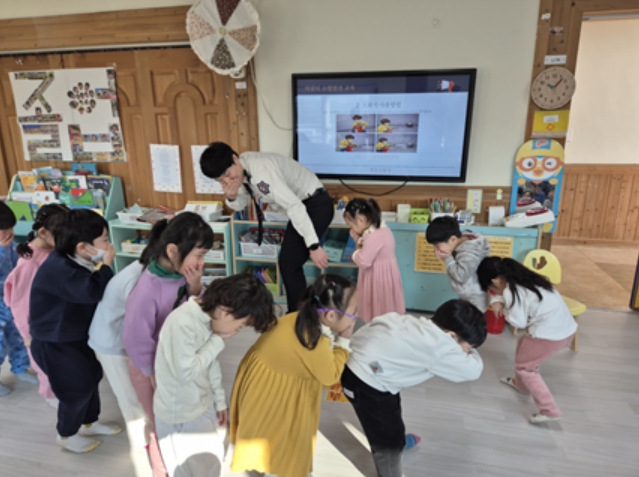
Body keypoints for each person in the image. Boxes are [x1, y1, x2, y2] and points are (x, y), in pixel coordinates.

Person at [230, 274, 357, 477]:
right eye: (354, 311)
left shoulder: (300, 318)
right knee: (280, 445)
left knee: (274, 442)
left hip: (265, 385)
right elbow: (330, 376)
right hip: (273, 395)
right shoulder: (314, 340)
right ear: (331, 316)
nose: (357, 316)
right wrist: (344, 341)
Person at [342, 300, 486, 477]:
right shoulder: (441, 346)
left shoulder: (409, 322)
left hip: (365, 371)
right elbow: (473, 371)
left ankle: (398, 439)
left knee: (391, 415)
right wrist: (469, 352)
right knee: (385, 439)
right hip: (366, 383)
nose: (468, 353)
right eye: (469, 348)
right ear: (452, 336)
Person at [154, 274, 277, 477]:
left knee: (210, 462)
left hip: (201, 404)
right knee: (189, 469)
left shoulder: (209, 321)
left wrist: (219, 401)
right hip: (180, 414)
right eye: (240, 326)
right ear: (226, 312)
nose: (237, 331)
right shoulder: (183, 323)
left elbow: (210, 363)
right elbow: (186, 372)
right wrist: (217, 341)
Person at [123, 212, 212, 477]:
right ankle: (162, 470)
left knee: (175, 415)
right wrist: (151, 373)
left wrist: (195, 286)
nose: (201, 262)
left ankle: (177, 459)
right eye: (199, 255)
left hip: (172, 361)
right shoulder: (147, 289)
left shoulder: (180, 274)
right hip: (150, 368)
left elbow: (193, 307)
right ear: (173, 251)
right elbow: (135, 339)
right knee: (159, 421)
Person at [200, 142, 333, 312]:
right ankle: (300, 313)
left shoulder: (261, 171)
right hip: (303, 207)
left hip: (315, 205)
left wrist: (313, 245)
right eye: (221, 181)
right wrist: (232, 196)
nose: (227, 181)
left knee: (289, 263)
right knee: (288, 262)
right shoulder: (242, 169)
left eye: (227, 174)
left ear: (235, 159)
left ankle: (300, 315)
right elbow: (241, 204)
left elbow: (294, 206)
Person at [29, 209, 120, 453]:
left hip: (75, 336)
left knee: (92, 377)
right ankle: (67, 434)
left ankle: (90, 422)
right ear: (83, 247)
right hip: (55, 342)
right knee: (75, 389)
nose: (108, 245)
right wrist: (107, 264)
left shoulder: (75, 260)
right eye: (104, 240)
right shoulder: (60, 268)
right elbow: (91, 291)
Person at [88, 226, 163, 463]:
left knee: (141, 394)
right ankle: (141, 448)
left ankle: (150, 438)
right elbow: (137, 329)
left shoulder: (152, 271)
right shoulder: (139, 279)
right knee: (131, 400)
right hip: (112, 344)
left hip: (124, 340)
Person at [477, 257, 577, 424]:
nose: (494, 292)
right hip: (567, 330)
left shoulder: (512, 292)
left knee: (527, 369)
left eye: (492, 289)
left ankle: (550, 410)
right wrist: (498, 300)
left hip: (548, 335)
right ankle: (521, 385)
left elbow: (518, 322)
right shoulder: (529, 279)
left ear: (496, 281)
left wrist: (503, 309)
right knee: (522, 345)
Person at [4, 204, 69, 404]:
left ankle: (21, 368)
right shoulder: (30, 260)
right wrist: (27, 334)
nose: (7, 233)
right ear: (43, 232)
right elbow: (20, 301)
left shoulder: (47, 251)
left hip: (48, 321)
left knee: (19, 344)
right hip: (31, 323)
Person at [344, 198, 405, 322]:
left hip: (377, 277)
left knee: (378, 306)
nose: (352, 229)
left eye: (351, 225)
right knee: (386, 306)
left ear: (360, 220)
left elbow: (363, 261)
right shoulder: (382, 229)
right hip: (385, 274)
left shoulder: (372, 236)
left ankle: (378, 326)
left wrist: (356, 247)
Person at [0, 202, 39, 397]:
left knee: (18, 337)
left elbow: (20, 268)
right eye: (3, 230)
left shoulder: (11, 246)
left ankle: (20, 367)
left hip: (11, 303)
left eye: (11, 228)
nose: (9, 233)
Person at [426, 216, 491, 312]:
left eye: (437, 246)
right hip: (469, 291)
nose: (435, 250)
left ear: (453, 239)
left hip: (475, 295)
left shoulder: (469, 254)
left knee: (473, 318)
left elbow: (461, 276)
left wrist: (447, 258)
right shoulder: (460, 239)